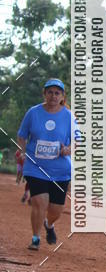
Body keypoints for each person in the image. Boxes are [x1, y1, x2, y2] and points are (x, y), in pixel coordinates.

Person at [17, 78, 78, 250]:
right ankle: (35, 238)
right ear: (44, 94)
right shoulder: (33, 112)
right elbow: (22, 135)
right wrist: (22, 151)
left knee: (56, 210)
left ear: (62, 96)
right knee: (39, 201)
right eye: (50, 92)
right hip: (36, 167)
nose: (53, 96)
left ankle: (49, 225)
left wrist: (68, 149)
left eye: (57, 93)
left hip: (60, 170)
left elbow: (77, 140)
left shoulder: (68, 115)